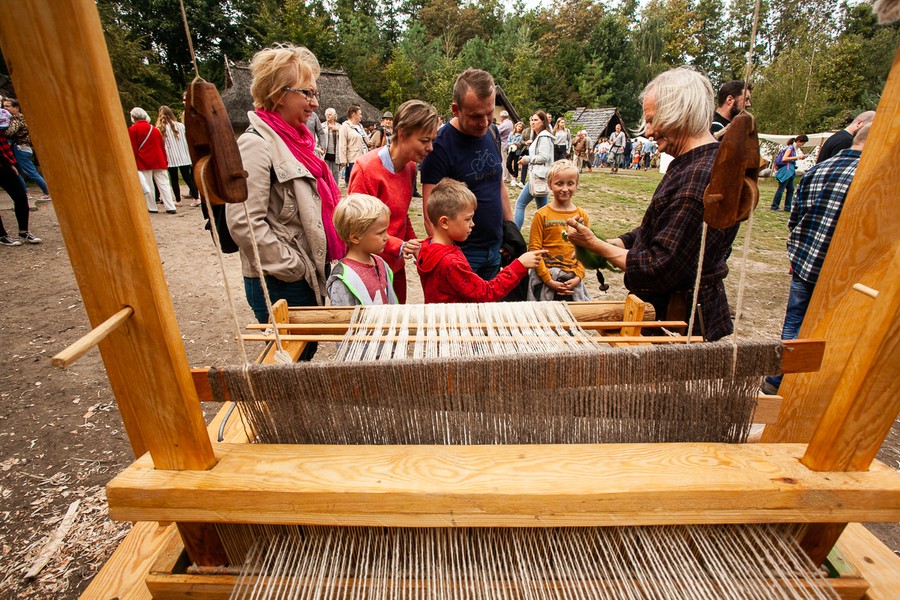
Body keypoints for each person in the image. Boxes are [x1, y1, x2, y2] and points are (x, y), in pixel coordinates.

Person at [566, 67, 739, 342]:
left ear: (678, 112)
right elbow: (660, 229)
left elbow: (660, 266)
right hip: (673, 315)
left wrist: (597, 246)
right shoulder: (696, 165)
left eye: (651, 121)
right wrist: (614, 242)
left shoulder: (699, 177)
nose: (647, 132)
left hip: (678, 323)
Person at [226, 44, 345, 361]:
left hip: (305, 273)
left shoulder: (298, 142)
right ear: (279, 94)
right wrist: (295, 267)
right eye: (307, 93)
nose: (315, 103)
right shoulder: (255, 145)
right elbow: (244, 223)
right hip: (281, 281)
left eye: (314, 93)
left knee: (302, 352)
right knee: (287, 360)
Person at [761, 125, 870, 394]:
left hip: (805, 260)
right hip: (841, 271)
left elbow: (795, 216)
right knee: (830, 329)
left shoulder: (817, 169)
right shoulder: (869, 176)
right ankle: (805, 387)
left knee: (794, 321)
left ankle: (778, 378)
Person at [420, 68, 513, 279]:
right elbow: (430, 215)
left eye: (489, 113)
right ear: (456, 109)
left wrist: (510, 232)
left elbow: (498, 185)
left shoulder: (492, 132)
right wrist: (450, 259)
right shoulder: (440, 146)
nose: (484, 122)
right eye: (475, 116)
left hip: (495, 248)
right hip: (462, 254)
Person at [348, 99, 439, 303]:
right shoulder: (366, 170)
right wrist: (399, 245)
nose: (430, 148)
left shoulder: (409, 167)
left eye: (432, 141)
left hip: (395, 267)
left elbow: (401, 215)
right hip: (369, 268)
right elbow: (358, 228)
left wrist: (416, 247)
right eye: (424, 141)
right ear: (403, 134)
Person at [416, 178, 544, 303]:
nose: (472, 224)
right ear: (444, 222)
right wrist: (519, 265)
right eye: (467, 219)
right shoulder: (450, 263)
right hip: (455, 321)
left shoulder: (428, 246)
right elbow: (486, 293)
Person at [527, 160, 590, 302]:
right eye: (559, 183)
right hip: (545, 278)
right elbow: (534, 250)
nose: (565, 188)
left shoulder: (581, 215)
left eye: (570, 183)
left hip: (571, 279)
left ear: (576, 184)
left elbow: (585, 248)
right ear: (550, 185)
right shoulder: (541, 215)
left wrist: (578, 276)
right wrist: (548, 280)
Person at [326, 193, 397, 306]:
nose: (387, 237)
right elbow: (343, 318)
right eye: (380, 233)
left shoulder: (381, 263)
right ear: (355, 237)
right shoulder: (344, 279)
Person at [128, 107, 177, 214]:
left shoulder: (132, 130)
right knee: (164, 184)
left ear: (133, 117)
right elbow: (161, 146)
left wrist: (134, 162)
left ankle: (152, 207)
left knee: (149, 184)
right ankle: (170, 206)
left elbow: (133, 148)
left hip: (144, 160)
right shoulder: (154, 129)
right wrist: (165, 160)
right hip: (159, 159)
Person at [512, 111, 555, 229]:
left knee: (520, 204)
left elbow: (544, 157)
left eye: (536, 120)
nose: (532, 122)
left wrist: (528, 159)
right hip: (539, 176)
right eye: (531, 120)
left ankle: (515, 237)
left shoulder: (544, 137)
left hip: (538, 176)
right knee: (543, 210)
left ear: (543, 122)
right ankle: (548, 234)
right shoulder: (539, 136)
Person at [2, 98, 50, 203]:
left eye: (7, 106)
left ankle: (47, 192)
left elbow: (10, 132)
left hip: (21, 147)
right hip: (20, 147)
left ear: (16, 107)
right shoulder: (15, 118)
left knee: (30, 171)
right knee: (17, 172)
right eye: (4, 106)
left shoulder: (17, 118)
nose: (5, 108)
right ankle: (25, 192)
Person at [0, 131, 41, 245]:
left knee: (20, 196)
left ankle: (24, 231)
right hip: (4, 163)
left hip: (4, 164)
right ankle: (2, 235)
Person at [156, 105, 199, 207]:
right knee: (188, 177)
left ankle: (178, 200)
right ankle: (196, 198)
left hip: (171, 157)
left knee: (174, 179)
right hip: (183, 155)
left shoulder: (161, 128)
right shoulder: (181, 126)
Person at [770, 134, 808, 212]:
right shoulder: (790, 148)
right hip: (786, 171)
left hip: (790, 171)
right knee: (781, 188)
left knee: (790, 189)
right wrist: (798, 157)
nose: (802, 145)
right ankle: (774, 205)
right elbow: (785, 158)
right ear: (798, 141)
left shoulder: (794, 149)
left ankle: (787, 207)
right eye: (802, 143)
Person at [339, 104, 368, 186]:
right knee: (354, 183)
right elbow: (342, 144)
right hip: (352, 159)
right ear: (353, 115)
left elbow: (366, 140)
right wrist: (343, 160)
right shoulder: (345, 126)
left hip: (363, 157)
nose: (361, 116)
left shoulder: (360, 126)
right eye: (360, 114)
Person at [322, 107, 341, 186]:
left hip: (336, 153)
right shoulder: (322, 126)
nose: (328, 116)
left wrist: (337, 129)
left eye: (330, 115)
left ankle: (335, 189)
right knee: (325, 172)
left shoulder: (340, 126)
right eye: (326, 115)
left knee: (336, 173)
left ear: (334, 116)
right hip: (325, 153)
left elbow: (345, 136)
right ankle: (326, 188)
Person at [497, 109, 514, 183]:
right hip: (509, 144)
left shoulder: (504, 124)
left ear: (502, 117)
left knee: (504, 162)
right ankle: (508, 176)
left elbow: (497, 131)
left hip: (503, 144)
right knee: (507, 161)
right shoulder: (510, 122)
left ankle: (505, 177)